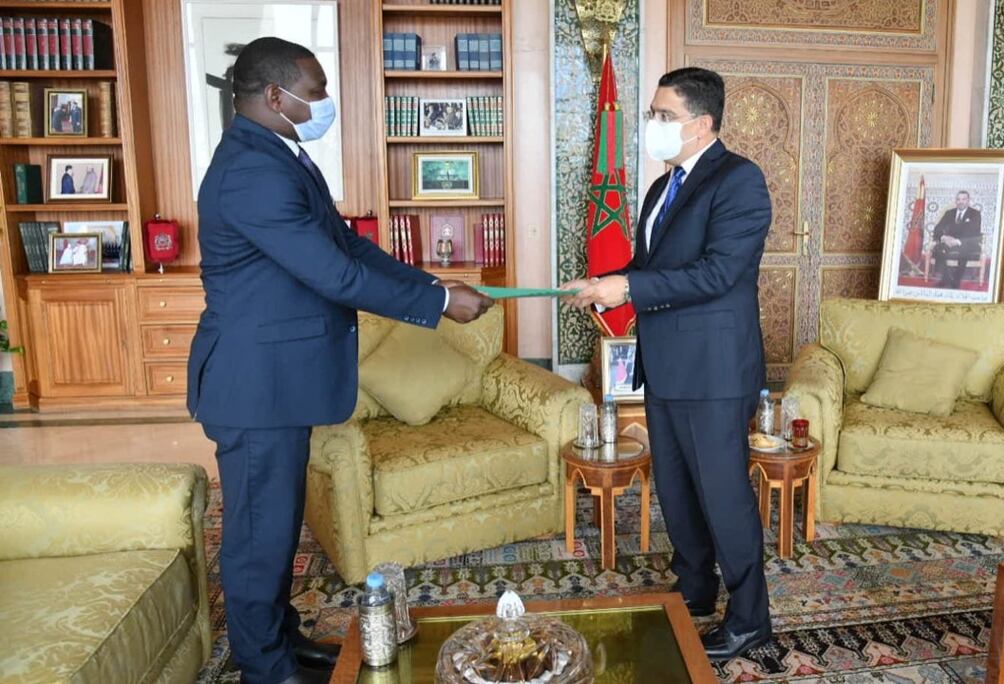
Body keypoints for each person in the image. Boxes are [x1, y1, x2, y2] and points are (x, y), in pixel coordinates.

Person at [186, 37, 492, 684]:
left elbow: (349, 246)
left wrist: (431, 282)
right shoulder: (250, 170)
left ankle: (282, 640)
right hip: (255, 385)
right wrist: (436, 303)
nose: (323, 102)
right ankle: (264, 668)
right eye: (315, 89)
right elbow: (333, 274)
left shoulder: (279, 155)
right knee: (256, 540)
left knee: (276, 528)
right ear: (274, 96)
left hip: (277, 383)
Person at [564, 66, 773, 662]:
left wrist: (626, 286)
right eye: (652, 114)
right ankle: (696, 590)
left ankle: (751, 618)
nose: (651, 125)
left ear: (701, 123)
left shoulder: (739, 182)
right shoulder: (661, 187)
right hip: (666, 364)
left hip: (713, 370)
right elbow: (652, 266)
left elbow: (716, 273)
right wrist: (606, 283)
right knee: (677, 492)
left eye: (662, 115)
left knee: (723, 494)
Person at [931, 190, 983, 288]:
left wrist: (957, 241)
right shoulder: (949, 213)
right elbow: (938, 228)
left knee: (964, 251)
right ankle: (945, 279)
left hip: (966, 243)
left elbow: (973, 232)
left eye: (963, 199)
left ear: (968, 201)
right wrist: (944, 238)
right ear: (956, 201)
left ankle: (956, 281)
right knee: (938, 248)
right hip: (949, 242)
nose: (961, 201)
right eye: (958, 199)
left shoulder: (975, 214)